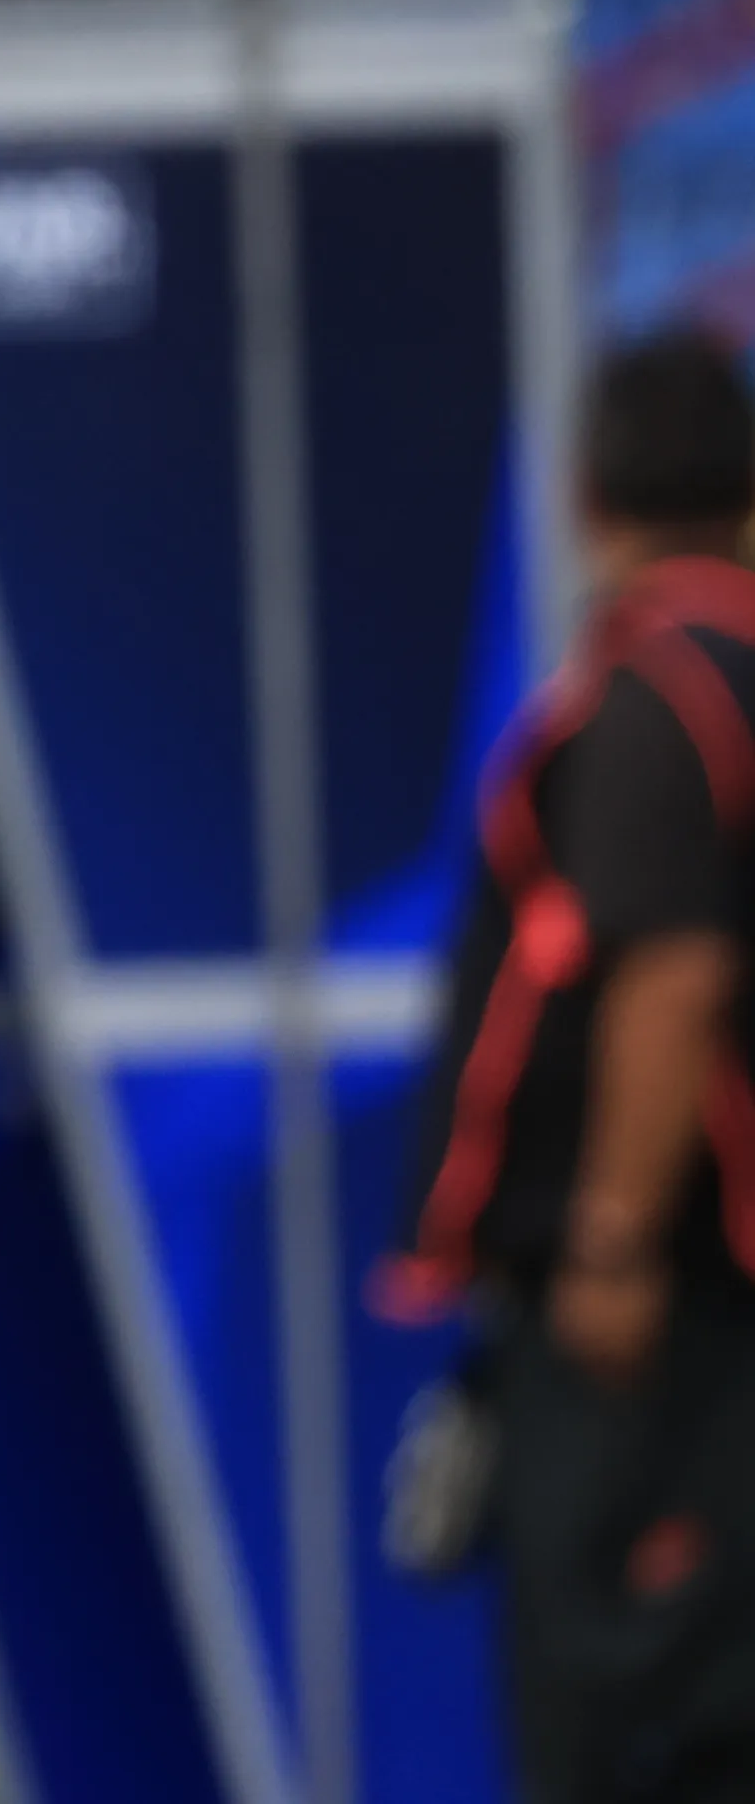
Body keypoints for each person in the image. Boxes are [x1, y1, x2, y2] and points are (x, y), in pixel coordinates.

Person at [396, 330, 755, 1804]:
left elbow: (669, 976)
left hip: (666, 1302)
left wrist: (609, 1238)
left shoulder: (665, 694)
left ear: (584, 493)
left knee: (631, 1708)